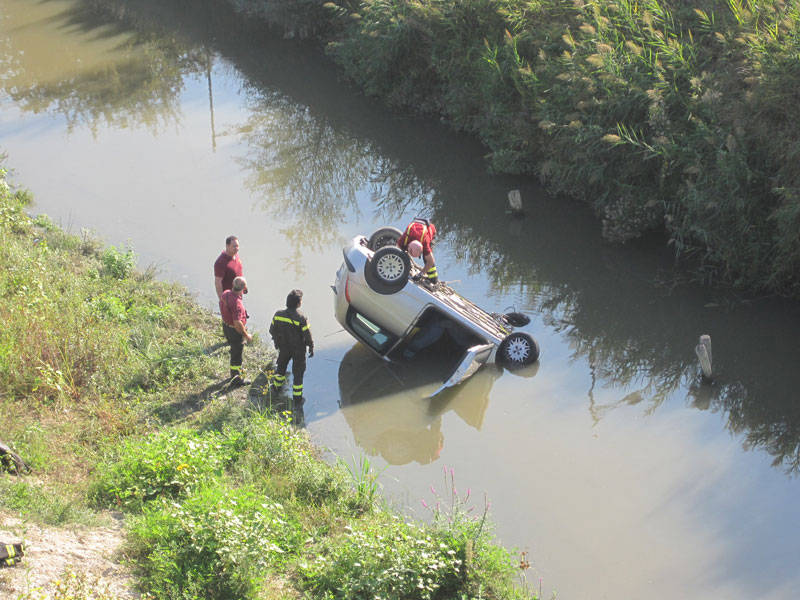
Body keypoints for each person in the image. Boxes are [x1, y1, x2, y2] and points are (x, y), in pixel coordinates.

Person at [269, 289, 314, 405]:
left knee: (281, 367)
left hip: (284, 348)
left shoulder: (278, 315)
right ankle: (297, 399)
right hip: (298, 350)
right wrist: (311, 347)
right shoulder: (302, 318)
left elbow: (272, 330)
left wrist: (276, 342)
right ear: (298, 303)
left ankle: (276, 388)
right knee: (298, 373)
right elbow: (308, 336)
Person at [219, 276, 252, 386]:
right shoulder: (238, 304)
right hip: (234, 331)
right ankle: (236, 379)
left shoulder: (226, 293)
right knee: (237, 355)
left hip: (226, 326)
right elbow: (237, 323)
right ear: (244, 287)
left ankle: (234, 370)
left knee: (234, 349)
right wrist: (246, 335)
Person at [397, 217, 438, 283]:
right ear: (408, 246)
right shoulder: (405, 238)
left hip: (430, 229)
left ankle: (433, 279)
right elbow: (398, 248)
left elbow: (431, 261)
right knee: (401, 249)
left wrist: (420, 274)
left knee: (426, 258)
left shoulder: (425, 243)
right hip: (416, 226)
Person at [214, 235, 243, 300]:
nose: (237, 248)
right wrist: (222, 300)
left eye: (237, 246)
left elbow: (239, 272)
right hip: (229, 299)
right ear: (227, 246)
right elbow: (218, 283)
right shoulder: (221, 262)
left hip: (238, 297)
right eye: (234, 246)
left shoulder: (236, 256)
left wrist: (244, 287)